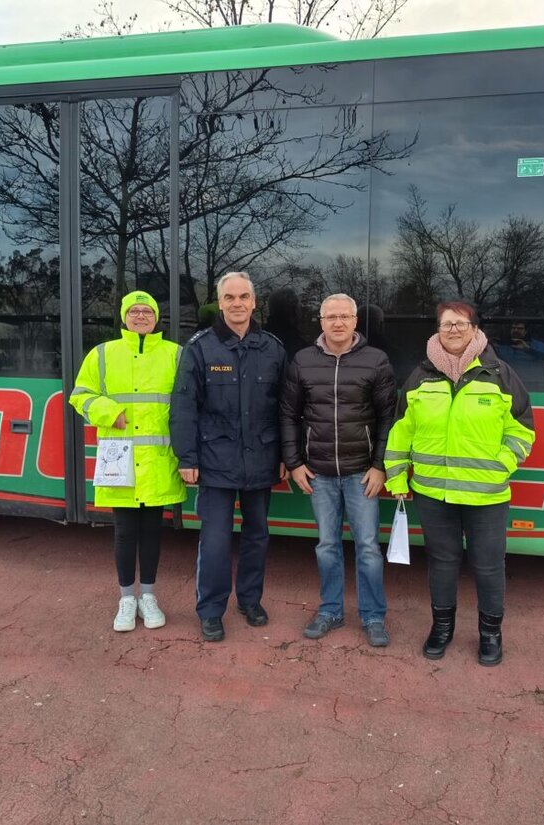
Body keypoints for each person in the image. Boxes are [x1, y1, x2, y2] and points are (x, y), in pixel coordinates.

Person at [384, 300, 535, 666]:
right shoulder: (420, 376)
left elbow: (522, 429)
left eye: (460, 323)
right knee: (442, 562)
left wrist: (502, 464)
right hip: (434, 494)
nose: (453, 329)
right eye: (446, 324)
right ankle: (441, 629)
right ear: (437, 330)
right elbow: (402, 430)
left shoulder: (499, 373)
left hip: (487, 494)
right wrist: (396, 474)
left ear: (474, 329)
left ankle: (490, 634)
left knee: (488, 566)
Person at [170, 271, 287, 642]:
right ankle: (210, 609)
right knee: (216, 540)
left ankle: (250, 601)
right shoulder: (200, 348)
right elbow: (184, 406)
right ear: (219, 303)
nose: (237, 303)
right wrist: (187, 458)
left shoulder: (272, 348)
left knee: (257, 536)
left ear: (254, 302)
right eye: (230, 297)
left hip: (262, 459)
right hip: (214, 461)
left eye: (244, 297)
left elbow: (286, 407)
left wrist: (286, 454)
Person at [280, 293, 396, 647]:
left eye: (345, 316)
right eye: (330, 317)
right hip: (319, 472)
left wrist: (380, 467)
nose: (338, 323)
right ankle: (330, 610)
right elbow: (288, 414)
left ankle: (373, 616)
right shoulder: (302, 361)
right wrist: (295, 462)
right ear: (320, 321)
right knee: (327, 546)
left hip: (362, 473)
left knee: (367, 547)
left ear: (355, 321)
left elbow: (389, 418)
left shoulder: (376, 361)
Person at [69, 291, 186, 633]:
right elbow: (80, 395)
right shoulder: (102, 354)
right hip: (119, 460)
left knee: (152, 531)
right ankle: (126, 599)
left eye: (146, 310)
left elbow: (189, 401)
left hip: (157, 460)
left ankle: (148, 596)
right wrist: (111, 411)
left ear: (156, 317)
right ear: (123, 316)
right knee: (123, 532)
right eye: (133, 311)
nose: (139, 316)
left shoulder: (175, 354)